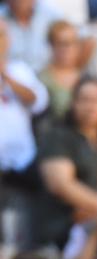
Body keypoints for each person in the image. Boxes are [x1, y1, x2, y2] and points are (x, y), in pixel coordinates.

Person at [35, 77, 97, 249]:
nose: (91, 106)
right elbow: (60, 184)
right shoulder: (58, 137)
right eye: (85, 100)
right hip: (68, 228)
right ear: (73, 103)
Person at [0, 24, 44, 180]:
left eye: (1, 35)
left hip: (23, 161)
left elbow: (39, 103)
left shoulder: (19, 69)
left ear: (9, 39)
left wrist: (6, 76)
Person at [37, 19, 82, 120]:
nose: (66, 49)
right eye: (61, 43)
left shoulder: (86, 77)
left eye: (71, 43)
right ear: (51, 45)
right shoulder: (41, 79)